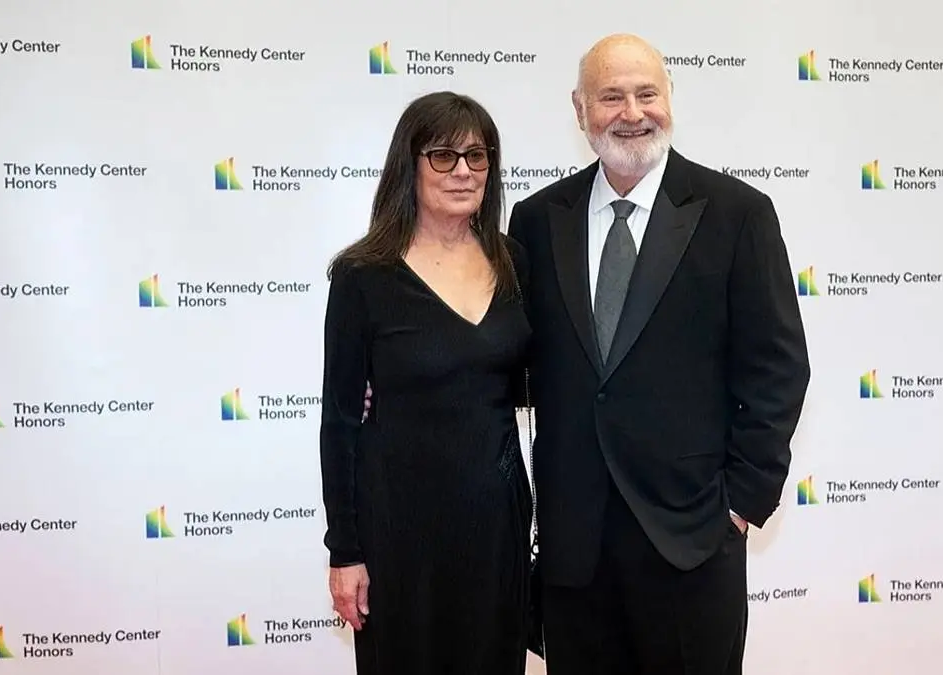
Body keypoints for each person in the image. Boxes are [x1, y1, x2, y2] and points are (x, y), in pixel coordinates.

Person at [506, 33, 811, 674]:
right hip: (574, 552)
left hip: (692, 543)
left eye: (647, 93)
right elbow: (515, 359)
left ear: (670, 97)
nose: (632, 113)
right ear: (580, 109)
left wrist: (738, 506)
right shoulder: (537, 220)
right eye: (611, 97)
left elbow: (778, 367)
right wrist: (398, 385)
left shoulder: (737, 214)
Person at [318, 91, 533, 675]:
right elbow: (339, 423)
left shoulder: (514, 262)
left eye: (477, 156)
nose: (463, 171)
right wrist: (345, 551)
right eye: (443, 156)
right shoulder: (363, 276)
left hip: (495, 523)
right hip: (397, 529)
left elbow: (529, 381)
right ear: (409, 165)